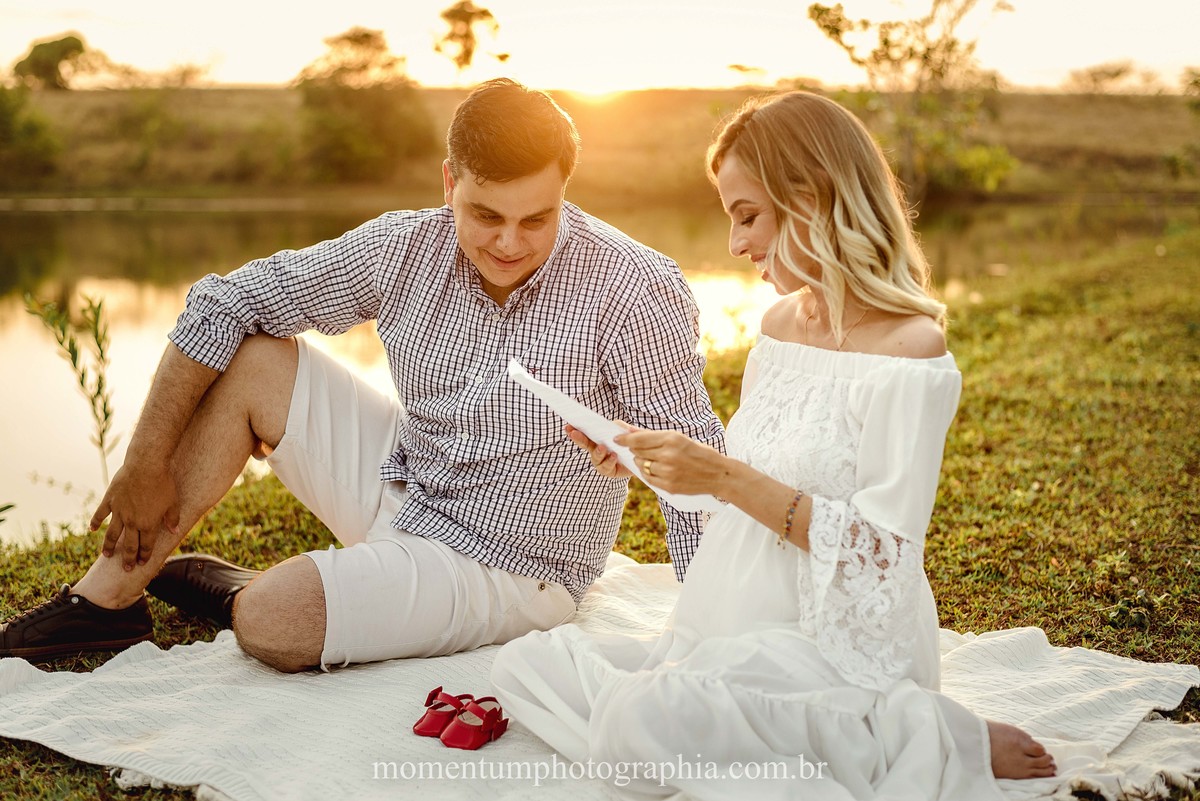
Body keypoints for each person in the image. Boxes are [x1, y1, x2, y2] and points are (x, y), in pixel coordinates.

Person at [0, 78, 725, 672]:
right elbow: (225, 299)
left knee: (271, 620)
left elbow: (695, 462)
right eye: (485, 214)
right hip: (407, 485)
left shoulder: (634, 287)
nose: (509, 243)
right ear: (450, 183)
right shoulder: (405, 247)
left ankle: (252, 590)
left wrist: (709, 635)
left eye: (537, 219)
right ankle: (104, 603)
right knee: (258, 355)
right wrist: (143, 458)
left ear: (567, 188)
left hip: (513, 568)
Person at [489, 90, 1059, 799]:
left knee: (634, 721)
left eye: (747, 215)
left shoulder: (914, 354)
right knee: (527, 663)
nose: (736, 244)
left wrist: (724, 476)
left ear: (812, 198)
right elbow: (741, 494)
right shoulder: (778, 328)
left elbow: (882, 555)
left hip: (833, 638)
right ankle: (761, 725)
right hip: (730, 613)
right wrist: (648, 464)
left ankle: (922, 730)